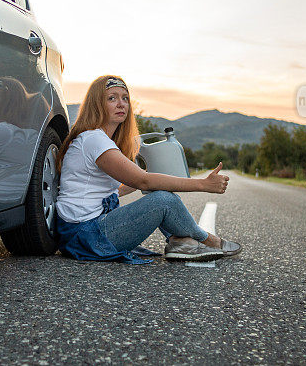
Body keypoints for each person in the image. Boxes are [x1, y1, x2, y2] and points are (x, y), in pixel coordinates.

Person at [55, 75, 242, 264]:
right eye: (112, 98)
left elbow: (106, 191)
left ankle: (180, 241)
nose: (121, 104)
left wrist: (149, 184)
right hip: (86, 235)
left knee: (160, 192)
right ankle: (208, 240)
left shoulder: (98, 139)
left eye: (125, 98)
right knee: (163, 200)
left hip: (84, 232)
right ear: (96, 105)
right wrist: (203, 184)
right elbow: (143, 180)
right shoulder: (94, 139)